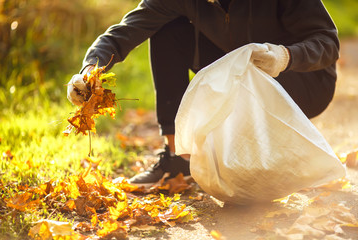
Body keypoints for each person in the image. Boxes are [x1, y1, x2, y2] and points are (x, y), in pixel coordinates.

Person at [67, 0, 340, 187]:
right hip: (237, 75)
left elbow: (328, 42)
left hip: (301, 81)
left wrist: (284, 56)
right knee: (167, 30)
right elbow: (123, 33)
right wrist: (88, 70)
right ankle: (178, 158)